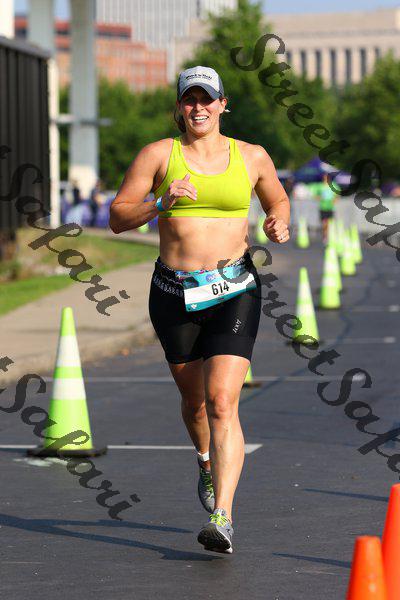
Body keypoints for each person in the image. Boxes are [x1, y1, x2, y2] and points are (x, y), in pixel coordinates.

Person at [109, 65, 290, 554]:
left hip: (235, 289)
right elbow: (117, 217)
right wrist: (159, 203)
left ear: (223, 104)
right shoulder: (157, 155)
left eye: (207, 99)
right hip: (174, 292)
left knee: (222, 401)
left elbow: (277, 199)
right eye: (190, 99)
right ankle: (205, 462)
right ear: (179, 107)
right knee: (194, 405)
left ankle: (222, 517)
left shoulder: (251, 155)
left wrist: (277, 221)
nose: (199, 108)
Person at [316, 173, 337, 244]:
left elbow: (337, 195)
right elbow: (316, 196)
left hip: (330, 207)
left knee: (330, 223)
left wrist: (335, 200)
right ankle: (325, 236)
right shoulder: (320, 186)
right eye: (324, 178)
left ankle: (329, 236)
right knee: (324, 223)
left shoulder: (333, 185)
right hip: (323, 207)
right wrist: (320, 198)